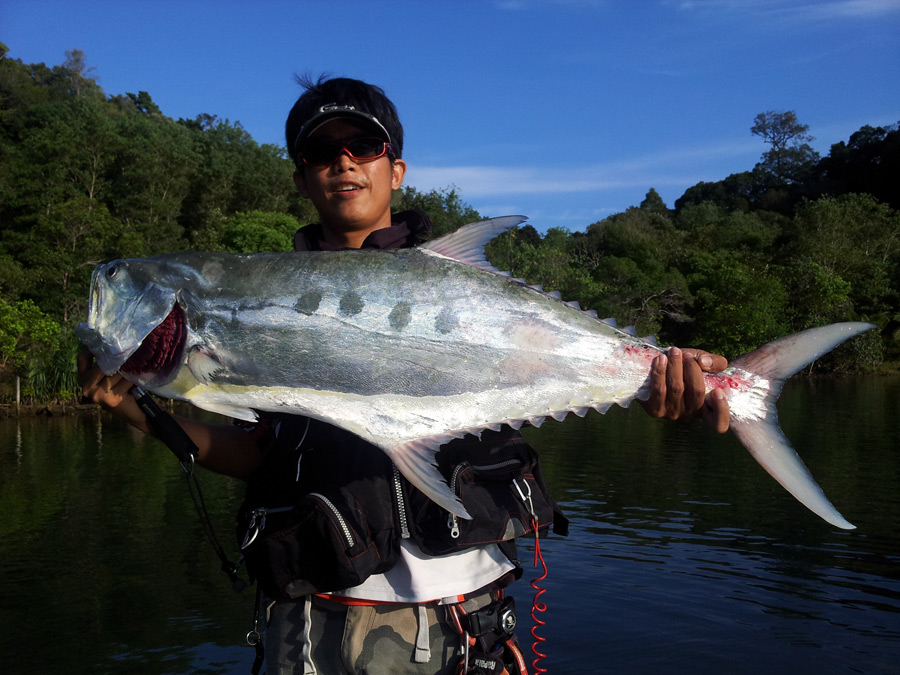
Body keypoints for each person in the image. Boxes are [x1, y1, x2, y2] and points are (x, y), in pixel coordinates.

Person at [78, 76, 730, 675]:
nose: (343, 161)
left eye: (363, 144)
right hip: (319, 623)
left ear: (396, 169)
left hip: (468, 618)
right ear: (302, 178)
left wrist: (654, 378)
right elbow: (256, 455)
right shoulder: (256, 297)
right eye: (320, 151)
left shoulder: (462, 288)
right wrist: (136, 407)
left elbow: (556, 367)